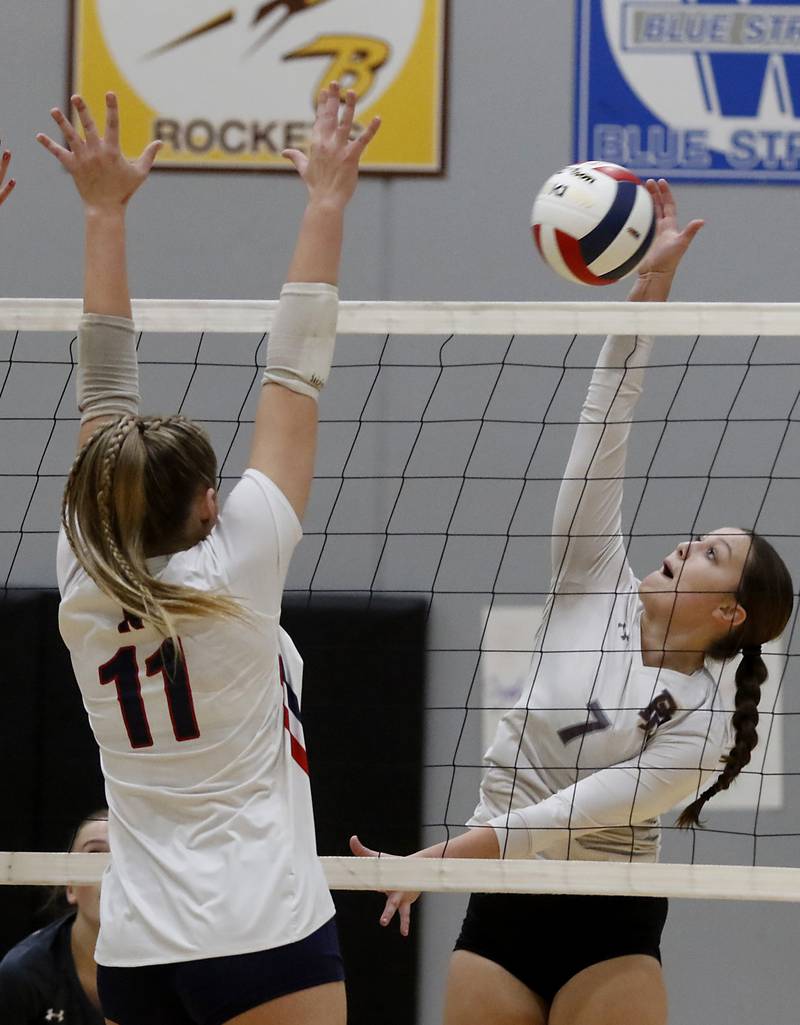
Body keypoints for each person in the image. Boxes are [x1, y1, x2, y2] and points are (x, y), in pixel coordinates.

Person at [351, 181, 795, 1025]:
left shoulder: (704, 726)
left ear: (731, 612)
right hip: (502, 907)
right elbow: (606, 418)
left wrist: (432, 860)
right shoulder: (595, 575)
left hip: (607, 918)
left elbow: (559, 819)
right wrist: (649, 291)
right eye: (693, 536)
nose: (680, 546)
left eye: (708, 553)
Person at [37, 84, 379, 1025]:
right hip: (263, 931)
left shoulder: (82, 582)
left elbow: (103, 387)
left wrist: (102, 213)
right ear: (209, 505)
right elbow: (296, 370)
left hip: (138, 947)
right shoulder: (242, 566)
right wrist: (324, 202)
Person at [0, 810, 109, 1025]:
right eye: (95, 855)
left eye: (125, 856)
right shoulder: (21, 975)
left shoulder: (171, 969)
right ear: (70, 887)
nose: (109, 873)